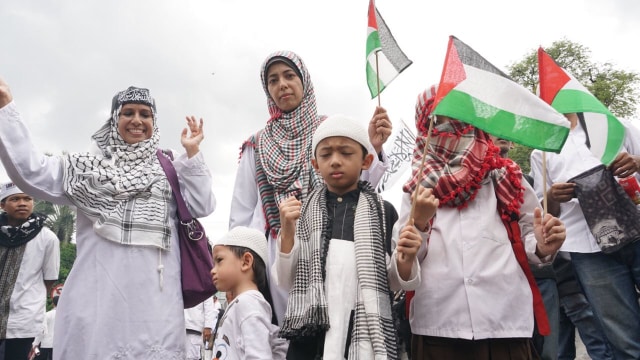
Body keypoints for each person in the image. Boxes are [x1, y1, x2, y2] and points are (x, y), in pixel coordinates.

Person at [0, 79, 216, 360]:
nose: (136, 120)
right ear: (114, 118)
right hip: (97, 302)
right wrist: (6, 107)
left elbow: (202, 204)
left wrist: (192, 152)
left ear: (154, 121)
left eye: (145, 114)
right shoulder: (86, 169)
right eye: (128, 113)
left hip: (157, 306)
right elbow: (30, 172)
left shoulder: (169, 164)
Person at [229, 50, 393, 324]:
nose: (282, 84)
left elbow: (358, 190)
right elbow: (242, 212)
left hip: (333, 237)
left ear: (304, 80)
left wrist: (374, 147)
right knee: (287, 329)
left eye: (289, 75)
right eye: (273, 80)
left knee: (335, 326)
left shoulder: (329, 131)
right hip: (279, 250)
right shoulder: (256, 145)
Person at [402, 87, 566, 359]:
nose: (450, 129)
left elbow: (530, 239)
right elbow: (406, 263)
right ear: (424, 127)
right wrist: (418, 223)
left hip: (504, 321)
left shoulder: (506, 176)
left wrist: (542, 244)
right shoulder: (417, 188)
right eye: (438, 121)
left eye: (457, 117)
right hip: (438, 324)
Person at [273, 114, 424, 359]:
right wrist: (287, 231)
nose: (335, 161)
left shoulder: (383, 212)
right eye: (326, 154)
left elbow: (394, 282)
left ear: (366, 161)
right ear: (315, 164)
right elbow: (285, 279)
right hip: (312, 334)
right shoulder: (300, 214)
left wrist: (406, 258)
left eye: (345, 153)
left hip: (362, 330)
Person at [529, 112, 640, 359]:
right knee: (622, 337)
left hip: (636, 231)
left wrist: (637, 162)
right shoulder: (542, 151)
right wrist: (553, 195)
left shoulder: (615, 126)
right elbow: (543, 209)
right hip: (587, 250)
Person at [490, 135, 559, 360]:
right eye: (491, 129)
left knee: (549, 350)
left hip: (540, 276)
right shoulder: (463, 186)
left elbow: (539, 225)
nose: (499, 135)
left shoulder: (522, 179)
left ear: (512, 144)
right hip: (502, 282)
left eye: (505, 134)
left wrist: (543, 242)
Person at [0, 183, 60, 360]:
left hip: (23, 319)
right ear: (2, 205)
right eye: (15, 199)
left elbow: (49, 280)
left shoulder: (47, 238)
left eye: (27, 198)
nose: (22, 203)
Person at [210, 226, 287, 360]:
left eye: (219, 260)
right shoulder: (243, 302)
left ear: (246, 262)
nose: (213, 270)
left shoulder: (249, 303)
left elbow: (259, 355)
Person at [31, 295, 58, 360]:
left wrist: (35, 344)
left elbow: (42, 330)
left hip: (46, 344)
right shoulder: (65, 316)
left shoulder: (47, 315)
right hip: (58, 346)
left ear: (53, 303)